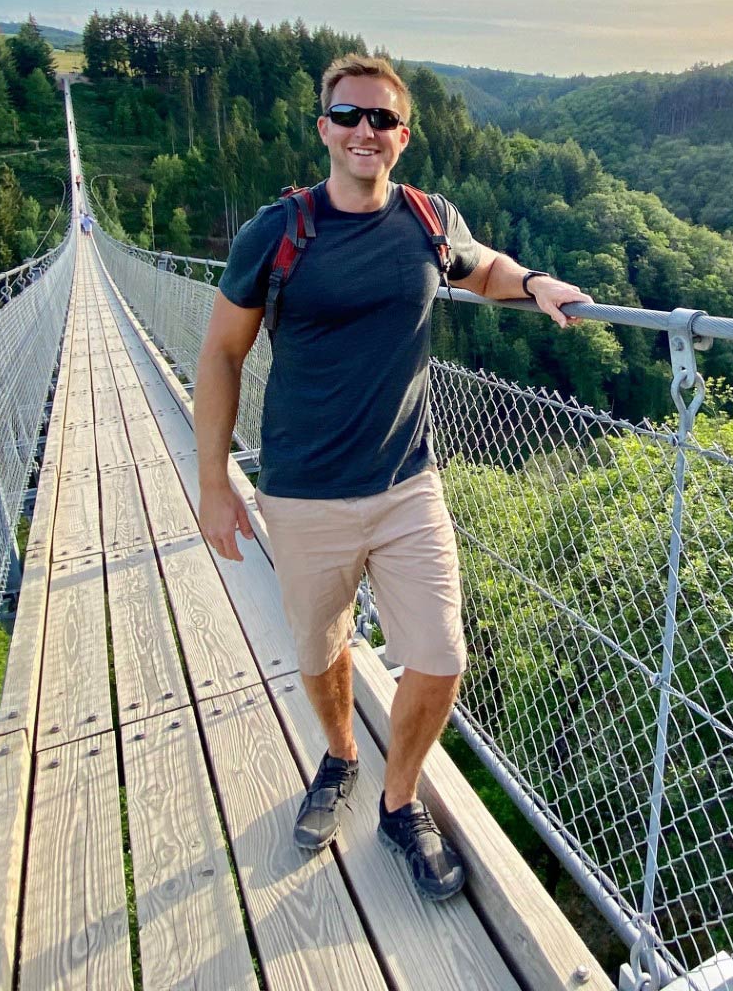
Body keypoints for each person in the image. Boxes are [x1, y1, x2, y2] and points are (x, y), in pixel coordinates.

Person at [192, 53, 589, 901]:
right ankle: (338, 756)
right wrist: (215, 480)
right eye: (348, 116)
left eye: (381, 120)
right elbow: (223, 354)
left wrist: (533, 281)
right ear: (323, 127)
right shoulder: (279, 229)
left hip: (410, 481)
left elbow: (476, 267)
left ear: (403, 137)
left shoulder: (425, 217)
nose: (364, 131)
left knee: (442, 657)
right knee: (320, 649)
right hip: (301, 491)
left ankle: (398, 800)